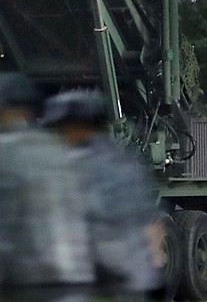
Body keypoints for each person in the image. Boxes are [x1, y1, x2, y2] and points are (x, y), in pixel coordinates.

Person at [0, 73, 95, 302]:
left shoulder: (0, 152)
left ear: (9, 109)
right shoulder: (54, 148)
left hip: (28, 274)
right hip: (71, 270)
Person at [40, 89, 164, 302]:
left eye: (62, 127)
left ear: (79, 126)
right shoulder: (124, 161)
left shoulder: (70, 163)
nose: (58, 134)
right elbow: (149, 219)